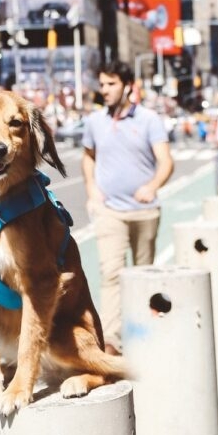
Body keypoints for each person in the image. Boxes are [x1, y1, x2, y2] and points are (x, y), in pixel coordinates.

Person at [82, 60, 174, 352]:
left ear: (128, 86)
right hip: (110, 212)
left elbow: (166, 161)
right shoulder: (94, 122)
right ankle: (111, 340)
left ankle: (146, 334)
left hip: (145, 211)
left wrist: (152, 186)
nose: (105, 90)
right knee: (111, 274)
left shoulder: (148, 120)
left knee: (143, 273)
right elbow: (88, 157)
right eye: (103, 84)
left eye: (111, 84)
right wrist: (91, 190)